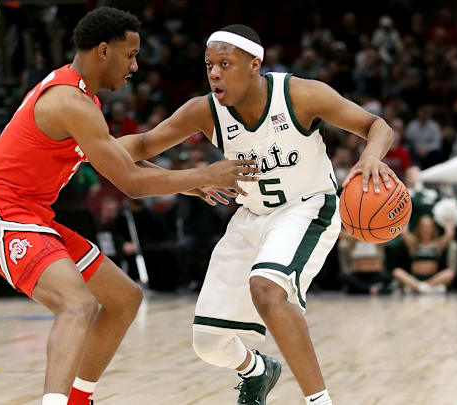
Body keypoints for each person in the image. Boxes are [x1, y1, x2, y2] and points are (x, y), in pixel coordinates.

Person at [0, 8, 258, 405]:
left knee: (123, 298)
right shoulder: (70, 102)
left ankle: (80, 398)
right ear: (104, 51)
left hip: (33, 214)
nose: (135, 66)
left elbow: (125, 153)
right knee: (77, 304)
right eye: (130, 54)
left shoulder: (82, 100)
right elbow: (131, 184)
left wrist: (188, 180)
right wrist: (202, 176)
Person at [117, 24, 396, 405]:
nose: (214, 72)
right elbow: (142, 145)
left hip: (308, 206)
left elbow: (376, 126)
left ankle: (319, 401)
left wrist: (369, 157)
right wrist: (84, 146)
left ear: (254, 65)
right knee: (209, 343)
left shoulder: (299, 94)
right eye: (209, 64)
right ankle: (258, 371)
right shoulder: (205, 110)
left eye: (225, 63)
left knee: (267, 288)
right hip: (250, 217)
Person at [392, 215, 456, 293]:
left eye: (429, 227)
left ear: (433, 228)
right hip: (415, 278)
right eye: (424, 226)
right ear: (419, 228)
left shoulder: (437, 244)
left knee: (449, 273)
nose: (426, 229)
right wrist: (404, 214)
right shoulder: (414, 243)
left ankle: (419, 288)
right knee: (397, 272)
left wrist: (447, 217)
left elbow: (449, 234)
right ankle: (427, 289)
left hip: (433, 279)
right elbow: (404, 232)